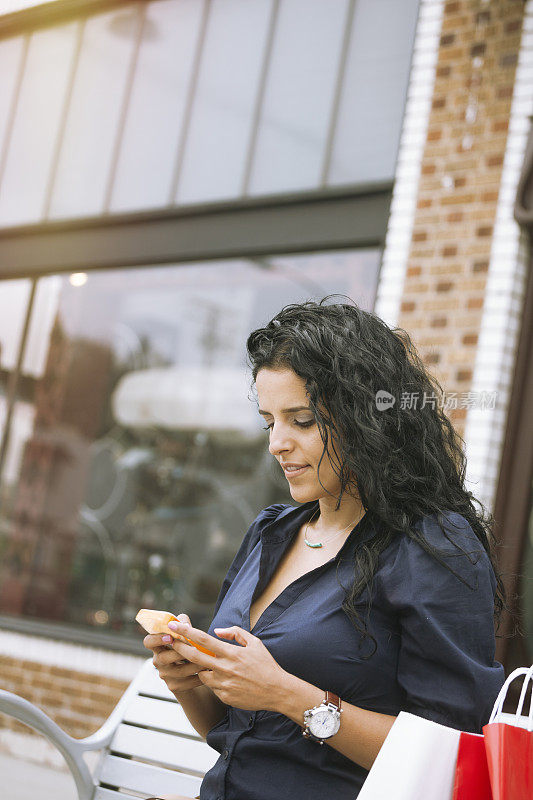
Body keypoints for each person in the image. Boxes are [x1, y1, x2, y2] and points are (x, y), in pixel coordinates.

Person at [143, 296, 509, 800]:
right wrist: (190, 682)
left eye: (303, 420)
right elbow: (234, 736)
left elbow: (450, 757)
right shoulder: (272, 532)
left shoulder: (431, 546)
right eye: (270, 422)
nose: (277, 443)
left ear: (368, 419)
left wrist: (288, 695)